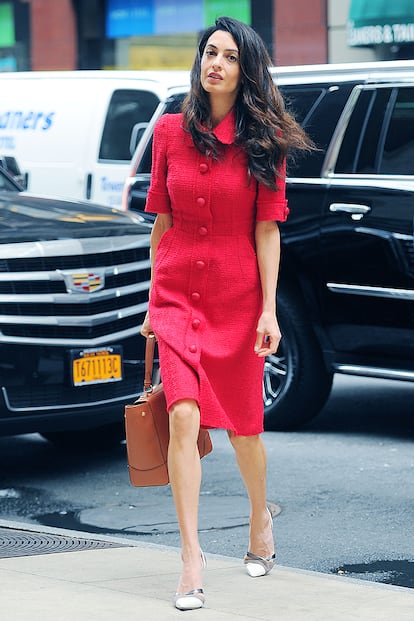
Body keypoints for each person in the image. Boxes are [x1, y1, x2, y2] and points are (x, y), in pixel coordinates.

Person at [141, 15, 312, 611]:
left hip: (238, 300)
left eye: (230, 56)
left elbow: (268, 230)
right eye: (210, 52)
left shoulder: (265, 142)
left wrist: (270, 310)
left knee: (243, 430)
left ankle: (258, 516)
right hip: (177, 295)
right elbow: (161, 221)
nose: (216, 63)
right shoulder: (167, 132)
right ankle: (191, 557)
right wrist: (150, 301)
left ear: (247, 70)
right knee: (184, 418)